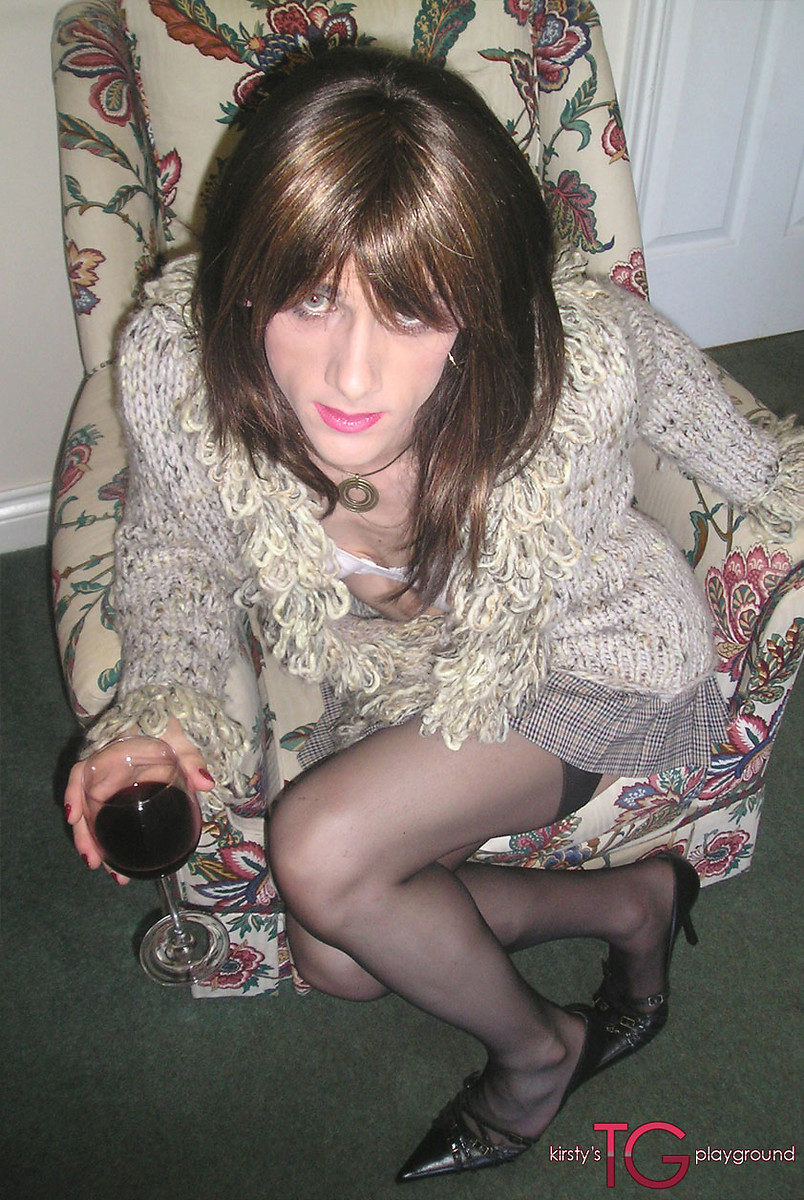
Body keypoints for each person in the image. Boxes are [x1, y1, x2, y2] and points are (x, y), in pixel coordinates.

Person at [64, 47, 804, 1179]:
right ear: (249, 275)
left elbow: (758, 459)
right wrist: (161, 712)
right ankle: (633, 906)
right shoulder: (181, 361)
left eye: (413, 311)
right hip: (410, 678)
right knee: (336, 958)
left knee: (321, 850)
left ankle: (537, 1055)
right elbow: (174, 551)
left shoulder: (578, 356)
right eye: (313, 298)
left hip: (584, 658)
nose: (351, 377)